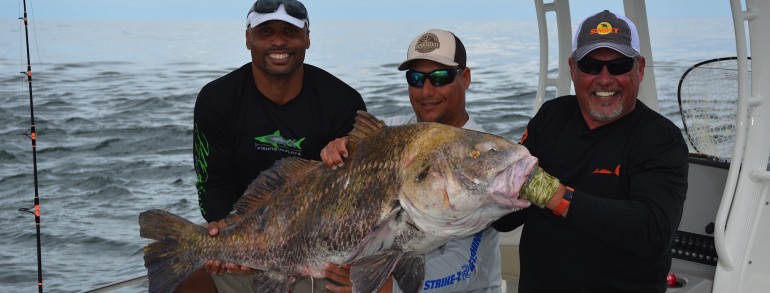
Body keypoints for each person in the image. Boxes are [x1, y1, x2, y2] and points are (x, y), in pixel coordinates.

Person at [492, 10, 689, 293]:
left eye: (619, 65)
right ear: (572, 68)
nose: (605, 79)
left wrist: (556, 196)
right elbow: (507, 219)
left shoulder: (660, 139)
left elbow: (654, 232)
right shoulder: (551, 117)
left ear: (640, 68)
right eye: (591, 66)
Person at [182, 0, 367, 292]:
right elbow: (212, 184)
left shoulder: (343, 101)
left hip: (316, 248)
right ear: (248, 38)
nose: (278, 40)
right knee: (182, 276)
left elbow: (355, 198)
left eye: (290, 31)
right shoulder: (215, 99)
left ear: (307, 37)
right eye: (266, 31)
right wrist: (227, 233)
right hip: (240, 234)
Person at [320, 29, 503, 293]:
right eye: (416, 78)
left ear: (465, 78)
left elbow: (463, 266)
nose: (426, 90)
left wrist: (388, 289)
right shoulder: (391, 131)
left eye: (440, 77)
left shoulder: (481, 158)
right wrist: (336, 151)